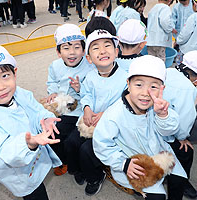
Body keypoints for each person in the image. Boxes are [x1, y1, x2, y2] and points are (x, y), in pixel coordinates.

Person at [0, 43, 62, 199]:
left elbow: (35, 109)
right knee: (35, 193)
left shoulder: (18, 93)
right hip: (19, 174)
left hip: (35, 157)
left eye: (4, 75)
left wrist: (46, 117)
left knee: (39, 181)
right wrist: (28, 144)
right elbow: (1, 152)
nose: (1, 87)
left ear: (14, 73)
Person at [93, 55, 187, 200]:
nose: (145, 93)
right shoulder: (114, 115)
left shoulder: (158, 106)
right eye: (139, 84)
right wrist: (123, 163)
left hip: (159, 152)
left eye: (153, 87)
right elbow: (101, 144)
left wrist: (163, 115)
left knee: (179, 180)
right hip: (134, 162)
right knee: (157, 197)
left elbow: (170, 130)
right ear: (128, 84)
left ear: (163, 88)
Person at [64, 29, 128, 196]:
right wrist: (87, 109)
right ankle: (77, 170)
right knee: (70, 142)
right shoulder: (91, 77)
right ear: (89, 59)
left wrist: (104, 114)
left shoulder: (125, 78)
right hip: (89, 121)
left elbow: (124, 103)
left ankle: (95, 177)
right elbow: (86, 94)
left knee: (87, 150)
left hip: (111, 126)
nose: (102, 50)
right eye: (96, 48)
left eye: (108, 45)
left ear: (116, 52)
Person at [163, 50, 197, 199]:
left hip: (143, 128)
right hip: (164, 134)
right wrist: (183, 137)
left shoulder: (166, 71)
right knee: (185, 154)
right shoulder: (188, 88)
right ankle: (179, 186)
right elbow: (185, 119)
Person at [47, 24, 93, 176]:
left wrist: (80, 89)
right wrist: (52, 92)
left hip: (80, 111)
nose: (72, 52)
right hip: (60, 109)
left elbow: (94, 92)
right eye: (66, 48)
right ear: (58, 52)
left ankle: (76, 169)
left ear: (84, 49)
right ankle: (63, 161)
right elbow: (51, 81)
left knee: (71, 142)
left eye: (76, 47)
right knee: (51, 134)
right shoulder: (55, 66)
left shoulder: (90, 67)